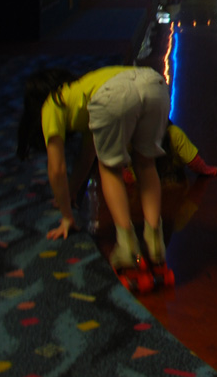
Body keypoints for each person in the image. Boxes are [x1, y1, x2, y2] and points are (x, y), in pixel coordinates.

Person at [18, 66, 174, 288]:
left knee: (109, 167)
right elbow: (86, 155)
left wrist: (66, 217)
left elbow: (57, 168)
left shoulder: (52, 104)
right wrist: (73, 189)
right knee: (146, 164)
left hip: (115, 94)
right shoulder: (84, 89)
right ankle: (155, 243)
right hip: (155, 84)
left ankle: (128, 247)